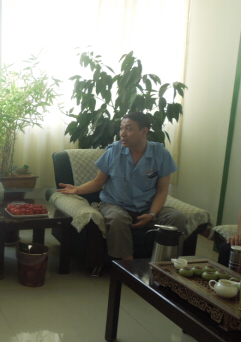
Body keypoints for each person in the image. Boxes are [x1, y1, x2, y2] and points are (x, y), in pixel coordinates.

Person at [58, 112, 187, 262]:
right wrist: (77, 189)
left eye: (129, 129)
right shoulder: (113, 151)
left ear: (144, 131)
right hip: (115, 204)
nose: (122, 134)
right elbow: (98, 182)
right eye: (121, 128)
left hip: (146, 207)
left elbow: (162, 191)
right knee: (117, 219)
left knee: (177, 218)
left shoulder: (161, 154)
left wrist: (152, 214)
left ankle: (165, 263)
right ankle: (127, 266)